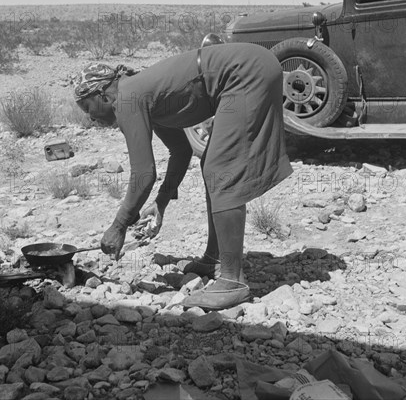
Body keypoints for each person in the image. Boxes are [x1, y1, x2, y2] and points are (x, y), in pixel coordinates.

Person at [74, 43, 293, 310]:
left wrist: (119, 226)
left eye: (88, 108)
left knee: (220, 168)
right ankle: (215, 258)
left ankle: (233, 280)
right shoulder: (141, 94)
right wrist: (161, 202)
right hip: (250, 68)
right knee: (211, 166)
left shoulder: (127, 98)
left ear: (103, 95)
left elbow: (143, 173)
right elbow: (180, 150)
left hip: (246, 73)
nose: (91, 118)